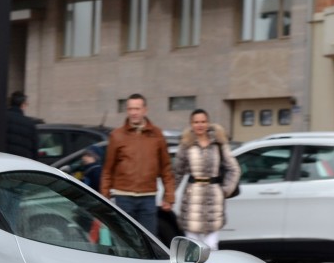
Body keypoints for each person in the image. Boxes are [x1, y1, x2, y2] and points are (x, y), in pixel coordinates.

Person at [101, 93, 175, 236]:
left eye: (137, 109)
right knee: (126, 241)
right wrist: (105, 196)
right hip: (124, 198)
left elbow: (166, 167)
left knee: (149, 240)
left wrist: (169, 196)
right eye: (130, 109)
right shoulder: (117, 135)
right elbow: (107, 169)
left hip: (148, 198)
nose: (133, 113)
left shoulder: (157, 134)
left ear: (144, 110)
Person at [172, 109, 240, 250]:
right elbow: (177, 172)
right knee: (191, 248)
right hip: (192, 200)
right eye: (196, 122)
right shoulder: (186, 145)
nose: (200, 125)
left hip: (213, 201)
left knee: (211, 246)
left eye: (203, 121)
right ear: (191, 124)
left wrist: (225, 190)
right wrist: (169, 195)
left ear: (208, 123)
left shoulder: (219, 144)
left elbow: (234, 169)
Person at [5, 91, 39, 159]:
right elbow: (34, 149)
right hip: (22, 162)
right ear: (23, 105)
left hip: (2, 159)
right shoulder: (29, 123)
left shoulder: (1, 118)